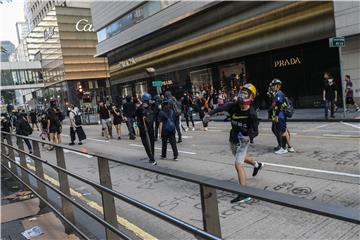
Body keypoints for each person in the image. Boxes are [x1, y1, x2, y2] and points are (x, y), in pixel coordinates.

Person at [203, 83, 263, 203]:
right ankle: (257, 164)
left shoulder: (251, 114)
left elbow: (256, 131)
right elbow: (221, 108)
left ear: (252, 97)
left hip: (243, 140)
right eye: (243, 92)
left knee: (238, 163)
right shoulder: (234, 106)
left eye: (247, 93)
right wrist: (208, 115)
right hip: (233, 138)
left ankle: (244, 194)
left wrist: (248, 136)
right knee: (239, 156)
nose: (243, 95)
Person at [271, 79, 294, 154]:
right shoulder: (277, 94)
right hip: (279, 116)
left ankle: (283, 148)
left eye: (273, 85)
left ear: (278, 86)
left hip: (280, 116)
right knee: (284, 131)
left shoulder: (279, 93)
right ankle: (289, 147)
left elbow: (279, 105)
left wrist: (277, 115)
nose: (272, 87)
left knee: (282, 132)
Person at [135, 93, 157, 165]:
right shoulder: (151, 107)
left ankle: (152, 159)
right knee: (151, 143)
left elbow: (134, 115)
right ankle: (152, 157)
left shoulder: (140, 108)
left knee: (146, 144)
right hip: (151, 128)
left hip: (143, 128)